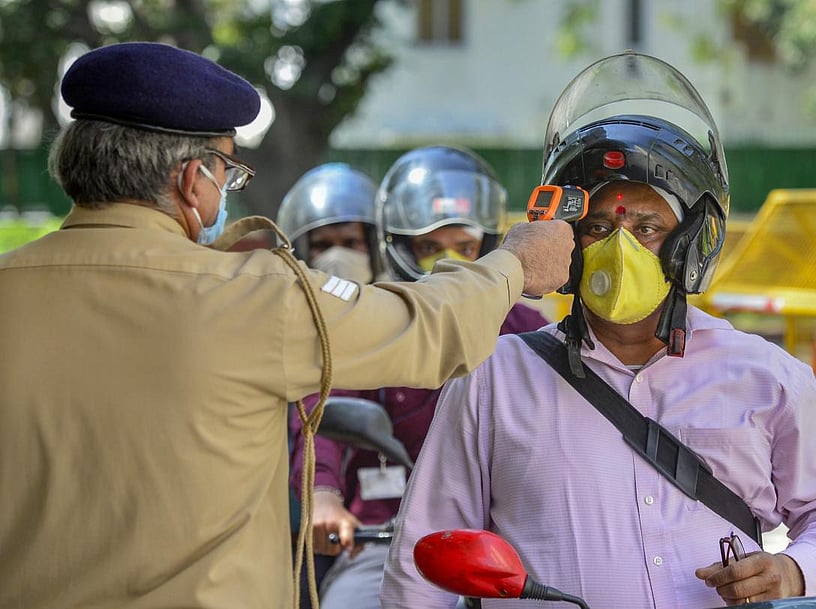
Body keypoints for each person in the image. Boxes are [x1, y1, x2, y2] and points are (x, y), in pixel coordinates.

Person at [0, 42, 574, 609]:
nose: (225, 194)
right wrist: (516, 263)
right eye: (228, 174)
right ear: (191, 179)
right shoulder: (250, 298)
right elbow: (427, 326)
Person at [381, 51, 816, 609]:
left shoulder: (765, 375)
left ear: (690, 244)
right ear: (567, 242)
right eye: (597, 226)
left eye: (647, 228)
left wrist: (795, 569)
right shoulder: (491, 377)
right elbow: (421, 560)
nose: (621, 248)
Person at [289, 145, 549, 609]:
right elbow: (322, 406)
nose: (446, 263)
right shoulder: (380, 320)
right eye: (430, 248)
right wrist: (324, 495)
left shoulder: (530, 330)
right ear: (400, 246)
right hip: (391, 544)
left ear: (488, 245)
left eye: (463, 248)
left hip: (511, 551)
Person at [277, 163, 385, 285]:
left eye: (351, 243)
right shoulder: (282, 302)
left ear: (373, 247)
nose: (336, 257)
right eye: (322, 245)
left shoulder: (396, 302)